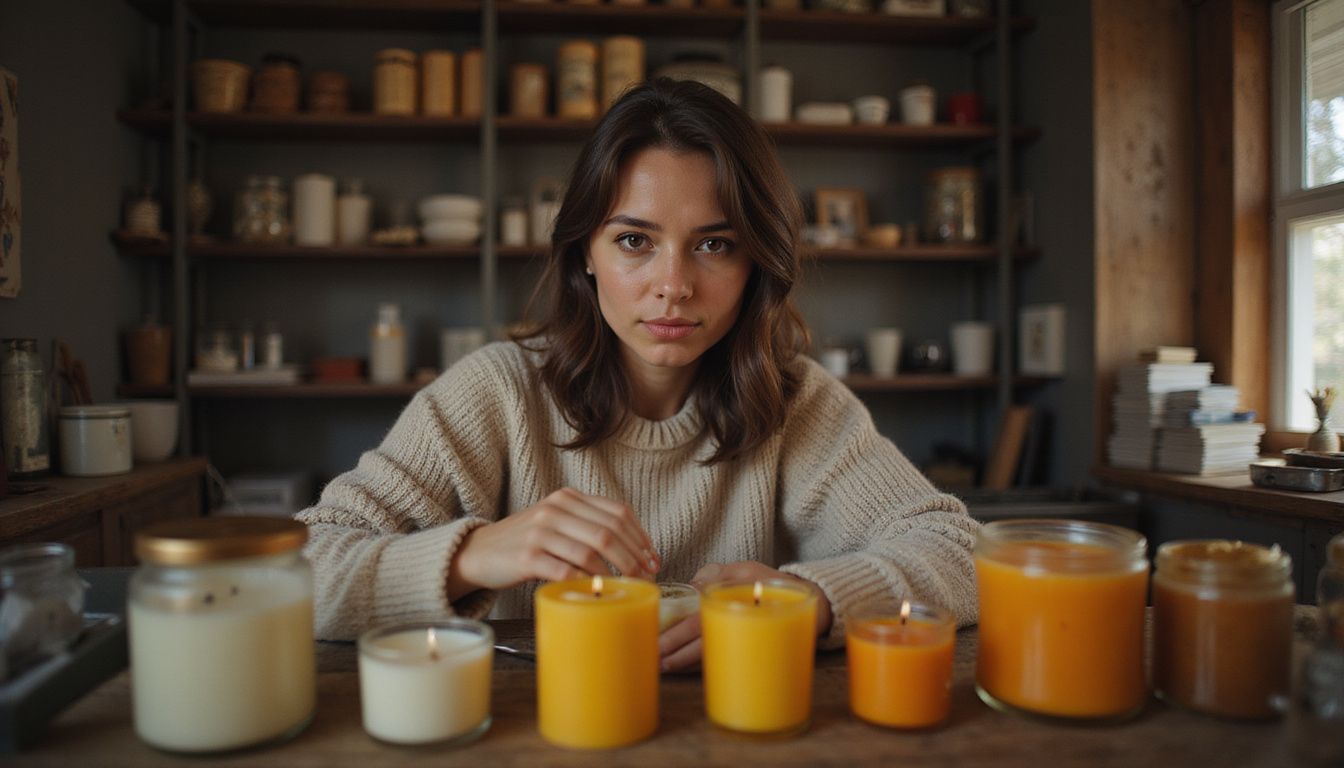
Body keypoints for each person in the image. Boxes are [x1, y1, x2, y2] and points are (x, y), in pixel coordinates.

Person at [296, 78, 978, 671]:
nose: (673, 286)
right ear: (585, 253)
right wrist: (473, 553)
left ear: (755, 263)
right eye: (634, 241)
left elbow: (962, 556)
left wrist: (817, 601)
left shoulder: (797, 402)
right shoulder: (494, 393)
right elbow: (298, 569)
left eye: (715, 244)